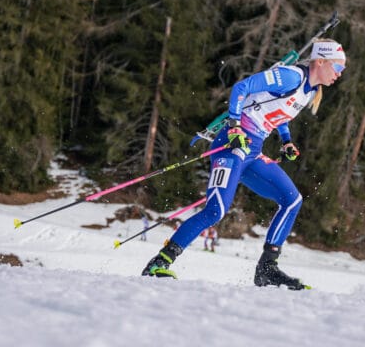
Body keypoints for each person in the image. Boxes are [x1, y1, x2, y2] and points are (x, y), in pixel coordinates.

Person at [141, 39, 347, 289]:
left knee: (292, 200)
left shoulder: (309, 90)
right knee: (216, 210)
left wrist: (286, 141)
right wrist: (234, 126)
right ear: (321, 61)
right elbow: (243, 87)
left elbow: (278, 112)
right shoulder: (290, 77)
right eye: (338, 68)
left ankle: (267, 269)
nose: (339, 74)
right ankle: (159, 263)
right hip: (231, 146)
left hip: (252, 151)